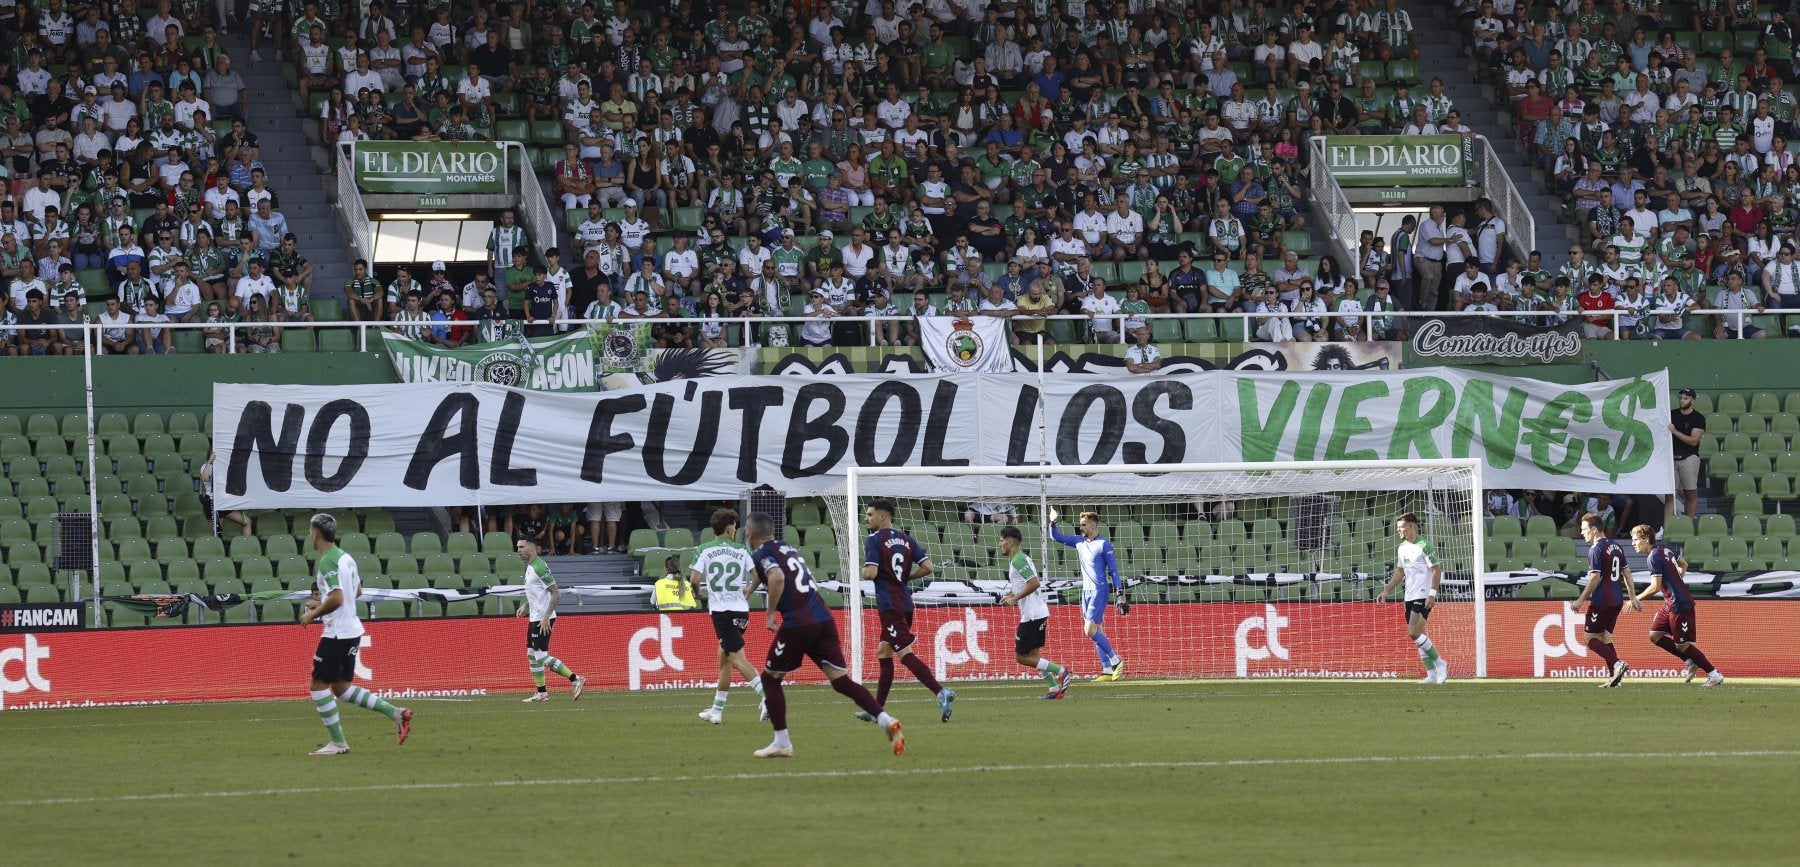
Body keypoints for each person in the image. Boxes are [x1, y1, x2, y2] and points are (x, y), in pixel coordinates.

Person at [744, 512, 903, 758]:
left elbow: (775, 577)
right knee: (841, 682)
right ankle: (885, 720)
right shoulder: (787, 548)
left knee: (770, 679)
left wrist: (770, 614)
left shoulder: (761, 553)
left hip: (798, 622)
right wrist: (749, 590)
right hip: (823, 618)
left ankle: (782, 742)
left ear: (749, 533)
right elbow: (799, 579)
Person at [298, 513, 412, 756]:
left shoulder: (328, 560)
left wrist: (313, 613)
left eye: (310, 531)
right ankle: (396, 713)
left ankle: (338, 743)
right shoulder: (346, 558)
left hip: (337, 633)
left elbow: (338, 597)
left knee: (318, 686)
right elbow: (356, 591)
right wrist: (322, 603)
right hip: (351, 629)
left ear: (315, 533)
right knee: (341, 689)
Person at [856, 499, 953, 724]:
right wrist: (905, 577)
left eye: (870, 515)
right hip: (905, 602)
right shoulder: (907, 539)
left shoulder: (874, 539)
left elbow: (870, 573)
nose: (867, 518)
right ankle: (876, 710)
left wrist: (862, 572)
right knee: (883, 652)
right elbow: (928, 567)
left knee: (905, 654)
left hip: (889, 605)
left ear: (883, 517)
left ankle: (941, 692)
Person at [686, 508, 767, 724]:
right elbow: (759, 575)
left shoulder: (704, 549)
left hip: (722, 612)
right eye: (735, 527)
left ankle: (767, 697)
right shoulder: (741, 550)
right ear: (730, 528)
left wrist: (697, 594)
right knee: (723, 659)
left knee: (735, 658)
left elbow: (694, 579)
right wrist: (748, 592)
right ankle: (717, 711)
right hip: (741, 610)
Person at [1630, 524, 1725, 688]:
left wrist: (1635, 599)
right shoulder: (1665, 550)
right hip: (1670, 603)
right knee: (1655, 635)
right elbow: (1684, 565)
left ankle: (1713, 674)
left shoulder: (1653, 557)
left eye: (1635, 539)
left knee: (1682, 644)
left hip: (1679, 604)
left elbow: (1654, 587)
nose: (1633, 543)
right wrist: (1677, 580)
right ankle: (1690, 661)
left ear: (1645, 539)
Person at [997, 525, 1073, 699]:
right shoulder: (1020, 557)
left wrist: (1014, 599)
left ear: (1009, 543)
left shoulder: (1017, 560)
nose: (1000, 544)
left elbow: (1034, 583)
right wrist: (1012, 594)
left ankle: (1061, 671)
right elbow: (1026, 583)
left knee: (1021, 657)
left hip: (1032, 614)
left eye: (1002, 541)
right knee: (1034, 655)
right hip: (1038, 611)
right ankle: (1053, 688)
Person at [1050, 510, 1126, 681]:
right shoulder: (1079, 542)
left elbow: (1113, 570)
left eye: (1084, 524)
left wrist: (1120, 593)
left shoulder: (1103, 545)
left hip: (1099, 590)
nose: (1081, 527)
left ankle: (1115, 660)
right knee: (1097, 630)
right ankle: (1107, 670)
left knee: (1088, 630)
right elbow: (1056, 537)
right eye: (1080, 524)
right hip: (1086, 591)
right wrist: (1053, 523)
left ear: (1093, 525)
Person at [1377, 512, 1449, 685]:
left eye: (1401, 527)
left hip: (1423, 595)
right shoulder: (1402, 548)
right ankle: (1431, 675)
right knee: (1420, 635)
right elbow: (1400, 571)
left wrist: (1432, 593)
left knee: (1413, 632)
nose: (1398, 530)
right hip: (1409, 595)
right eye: (1398, 528)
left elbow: (1436, 570)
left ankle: (1441, 664)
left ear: (1411, 526)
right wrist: (1386, 589)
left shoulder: (1425, 546)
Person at [515, 535, 587, 703]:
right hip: (535, 616)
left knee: (540, 657)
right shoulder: (531, 566)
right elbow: (540, 592)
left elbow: (556, 592)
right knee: (531, 654)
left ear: (532, 548)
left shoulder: (539, 567)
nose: (518, 550)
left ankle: (576, 679)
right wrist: (526, 605)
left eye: (521, 547)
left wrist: (546, 617)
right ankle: (541, 693)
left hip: (542, 618)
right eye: (517, 547)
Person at [1573, 512, 1640, 688]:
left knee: (1590, 640)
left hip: (1602, 600)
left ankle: (1617, 664)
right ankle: (1614, 679)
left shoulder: (1596, 548)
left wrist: (1580, 600)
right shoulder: (1616, 546)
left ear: (1594, 529)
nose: (1582, 533)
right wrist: (1632, 597)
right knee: (1605, 639)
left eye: (1584, 529)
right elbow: (1626, 572)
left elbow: (1595, 577)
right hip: (1617, 600)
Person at [1668, 388, 1704, 520]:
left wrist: (1675, 432)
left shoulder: (1698, 418)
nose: (1682, 400)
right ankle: (1667, 527)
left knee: (1690, 493)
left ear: (1692, 400)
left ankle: (1688, 525)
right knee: (1669, 495)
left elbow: (1694, 441)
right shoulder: (1672, 414)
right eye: (1682, 398)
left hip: (1689, 457)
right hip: (1671, 456)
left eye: (1686, 398)